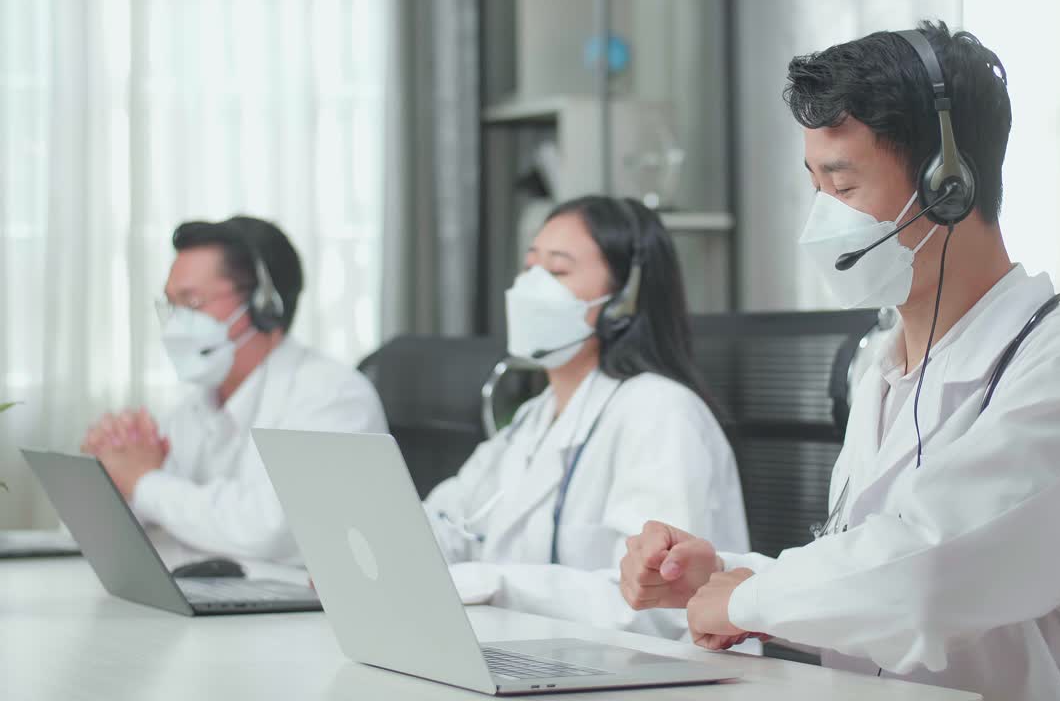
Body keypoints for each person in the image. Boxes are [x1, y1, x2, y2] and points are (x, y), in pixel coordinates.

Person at [618, 21, 1060, 700]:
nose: (822, 222)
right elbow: (863, 588)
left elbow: (929, 579)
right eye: (815, 187)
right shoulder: (884, 365)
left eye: (844, 189)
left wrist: (747, 599)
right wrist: (717, 575)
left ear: (948, 185)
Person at [424, 195, 749, 639]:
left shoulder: (661, 413)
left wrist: (495, 584)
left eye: (557, 271)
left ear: (623, 300)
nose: (531, 288)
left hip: (650, 677)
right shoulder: (532, 419)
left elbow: (653, 603)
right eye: (530, 267)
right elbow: (452, 520)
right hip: (542, 657)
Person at [80, 216, 387, 566]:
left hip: (300, 614)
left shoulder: (332, 397)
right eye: (170, 305)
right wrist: (113, 474)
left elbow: (268, 531)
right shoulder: (197, 405)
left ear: (263, 304)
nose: (176, 322)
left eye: (192, 303)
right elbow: (165, 512)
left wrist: (144, 482)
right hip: (219, 603)